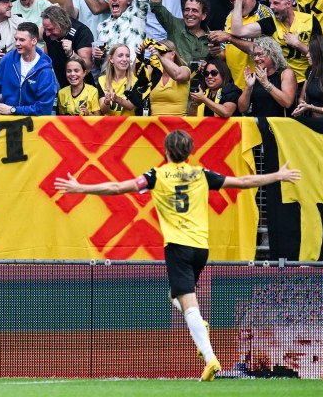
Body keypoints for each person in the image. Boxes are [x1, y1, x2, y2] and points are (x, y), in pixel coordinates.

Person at [55, 129, 302, 382]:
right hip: (200, 249)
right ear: (190, 152)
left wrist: (80, 187)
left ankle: (210, 359)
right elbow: (242, 182)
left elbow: (118, 187)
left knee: (188, 305)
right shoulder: (201, 174)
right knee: (175, 296)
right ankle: (200, 326)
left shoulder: (157, 175)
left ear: (166, 151)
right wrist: (278, 175)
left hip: (178, 247)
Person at [0, 21, 58, 116]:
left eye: (22, 40)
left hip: (33, 125)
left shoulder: (45, 71)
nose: (17, 43)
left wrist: (13, 110)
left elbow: (43, 109)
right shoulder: (7, 59)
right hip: (6, 121)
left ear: (34, 41)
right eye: (16, 39)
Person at [237, 36, 298, 117]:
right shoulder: (254, 76)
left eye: (260, 54)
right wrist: (248, 87)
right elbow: (242, 109)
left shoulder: (286, 73)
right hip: (258, 126)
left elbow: (287, 103)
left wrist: (266, 83)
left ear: (272, 54)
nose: (256, 58)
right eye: (254, 55)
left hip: (280, 127)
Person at [131, 39, 192, 116]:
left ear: (173, 54)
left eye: (161, 52)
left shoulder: (184, 69)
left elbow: (178, 75)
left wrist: (159, 56)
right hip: (155, 124)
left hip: (178, 124)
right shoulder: (151, 71)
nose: (157, 54)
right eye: (155, 52)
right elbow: (133, 77)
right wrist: (139, 56)